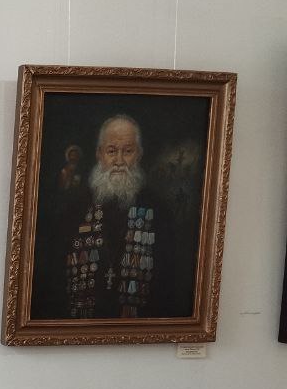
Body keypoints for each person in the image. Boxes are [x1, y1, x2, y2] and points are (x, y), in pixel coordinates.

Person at [32, 114, 191, 319]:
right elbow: (55, 280)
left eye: (128, 151)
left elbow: (168, 285)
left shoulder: (159, 211)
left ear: (139, 154)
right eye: (111, 151)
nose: (119, 161)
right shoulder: (74, 210)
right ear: (99, 154)